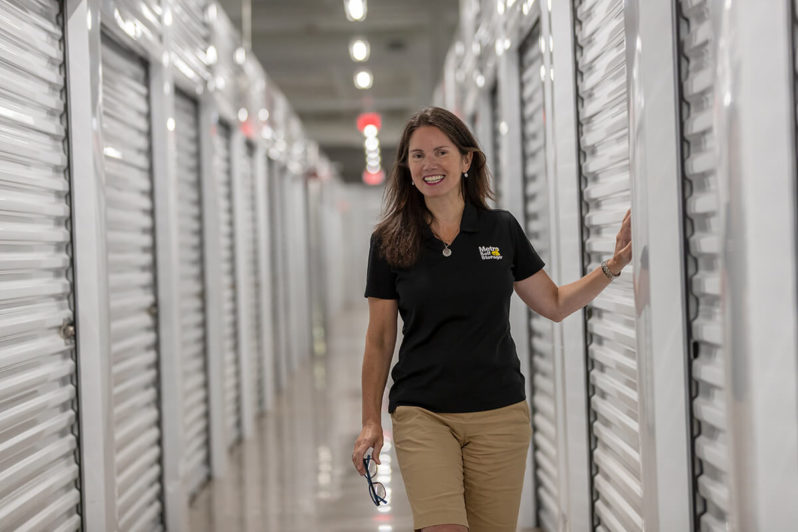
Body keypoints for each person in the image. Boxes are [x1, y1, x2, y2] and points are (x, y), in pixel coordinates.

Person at [351, 107, 632, 532]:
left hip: (499, 412)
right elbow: (380, 338)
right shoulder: (390, 240)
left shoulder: (500, 230)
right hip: (423, 411)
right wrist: (371, 419)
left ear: (467, 161)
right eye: (418, 155)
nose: (430, 164)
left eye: (441, 152)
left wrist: (612, 266)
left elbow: (553, 303)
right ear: (406, 168)